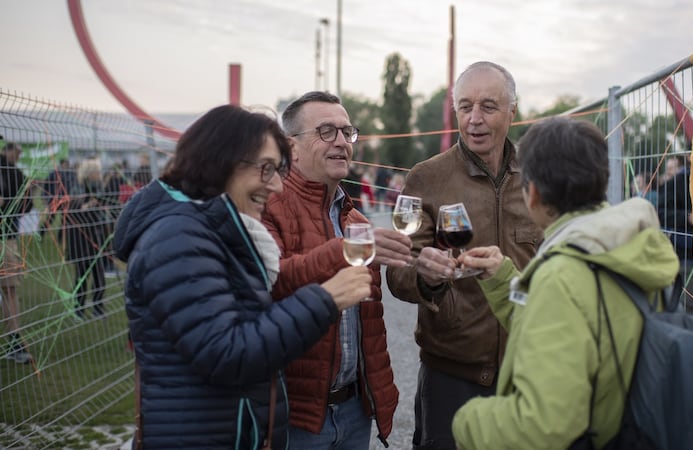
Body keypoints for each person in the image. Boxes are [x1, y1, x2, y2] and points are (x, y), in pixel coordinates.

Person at [112, 104, 373, 449]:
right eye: (266, 169)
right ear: (221, 161)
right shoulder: (178, 238)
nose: (277, 185)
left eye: (278, 170)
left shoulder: (209, 232)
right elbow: (227, 353)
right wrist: (325, 299)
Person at [451, 116, 680, 449]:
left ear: (532, 193)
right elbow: (578, 331)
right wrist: (503, 279)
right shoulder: (626, 244)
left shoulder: (563, 274)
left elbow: (543, 425)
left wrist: (466, 421)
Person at [385, 61, 541, 450]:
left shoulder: (542, 177)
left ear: (512, 111)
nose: (475, 119)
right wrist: (425, 275)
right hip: (452, 379)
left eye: (488, 106)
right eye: (465, 106)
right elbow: (397, 268)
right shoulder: (423, 177)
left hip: (532, 375)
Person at [261, 91, 411, 449]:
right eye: (327, 131)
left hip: (353, 411)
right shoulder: (268, 204)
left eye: (347, 132)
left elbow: (369, 321)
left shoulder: (355, 219)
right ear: (290, 146)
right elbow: (270, 283)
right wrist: (342, 251)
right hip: (294, 415)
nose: (342, 142)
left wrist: (425, 269)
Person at [657, 147, 693, 316]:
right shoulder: (677, 183)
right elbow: (660, 213)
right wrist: (688, 217)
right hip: (690, 258)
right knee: (692, 310)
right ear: (691, 157)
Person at [0, 142, 33, 364]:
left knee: (10, 289)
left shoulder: (16, 173)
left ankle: (14, 341)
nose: (19, 157)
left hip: (7, 238)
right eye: (17, 153)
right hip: (7, 237)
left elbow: (26, 205)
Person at [65, 158, 109, 319]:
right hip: (80, 239)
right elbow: (70, 209)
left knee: (99, 275)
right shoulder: (78, 188)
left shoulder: (99, 188)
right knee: (82, 276)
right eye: (97, 171)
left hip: (96, 237)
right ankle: (78, 309)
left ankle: (98, 308)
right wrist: (85, 207)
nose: (99, 174)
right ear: (89, 174)